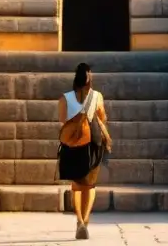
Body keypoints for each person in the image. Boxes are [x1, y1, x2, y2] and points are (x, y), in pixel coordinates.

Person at [57, 62, 112, 239]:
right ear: (90, 78)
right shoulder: (97, 96)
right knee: (90, 185)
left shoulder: (65, 98)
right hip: (93, 144)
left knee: (76, 185)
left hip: (73, 146)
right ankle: (86, 220)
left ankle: (79, 220)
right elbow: (103, 118)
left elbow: (62, 121)